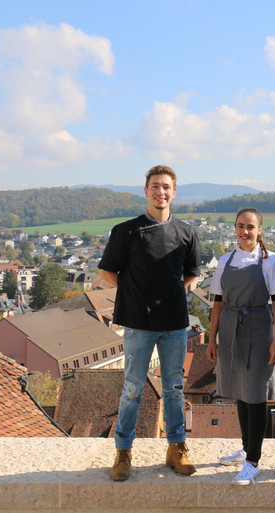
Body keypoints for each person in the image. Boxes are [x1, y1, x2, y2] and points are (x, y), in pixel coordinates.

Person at [99, 165, 201, 482]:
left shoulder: (186, 232)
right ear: (146, 191)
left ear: (174, 192)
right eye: (155, 186)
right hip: (137, 322)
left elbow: (193, 274)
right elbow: (107, 272)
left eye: (166, 187)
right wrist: (133, 293)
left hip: (173, 322)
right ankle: (123, 452)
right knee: (132, 388)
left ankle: (176, 448)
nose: (161, 192)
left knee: (173, 388)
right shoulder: (126, 231)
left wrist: (170, 293)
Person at [206, 208, 275, 485]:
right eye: (240, 226)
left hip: (258, 327)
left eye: (250, 227)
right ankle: (245, 448)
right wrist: (212, 339)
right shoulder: (225, 260)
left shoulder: (270, 261)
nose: (245, 232)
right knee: (240, 392)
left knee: (255, 393)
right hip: (230, 329)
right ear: (235, 228)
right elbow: (217, 302)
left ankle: (253, 461)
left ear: (260, 230)